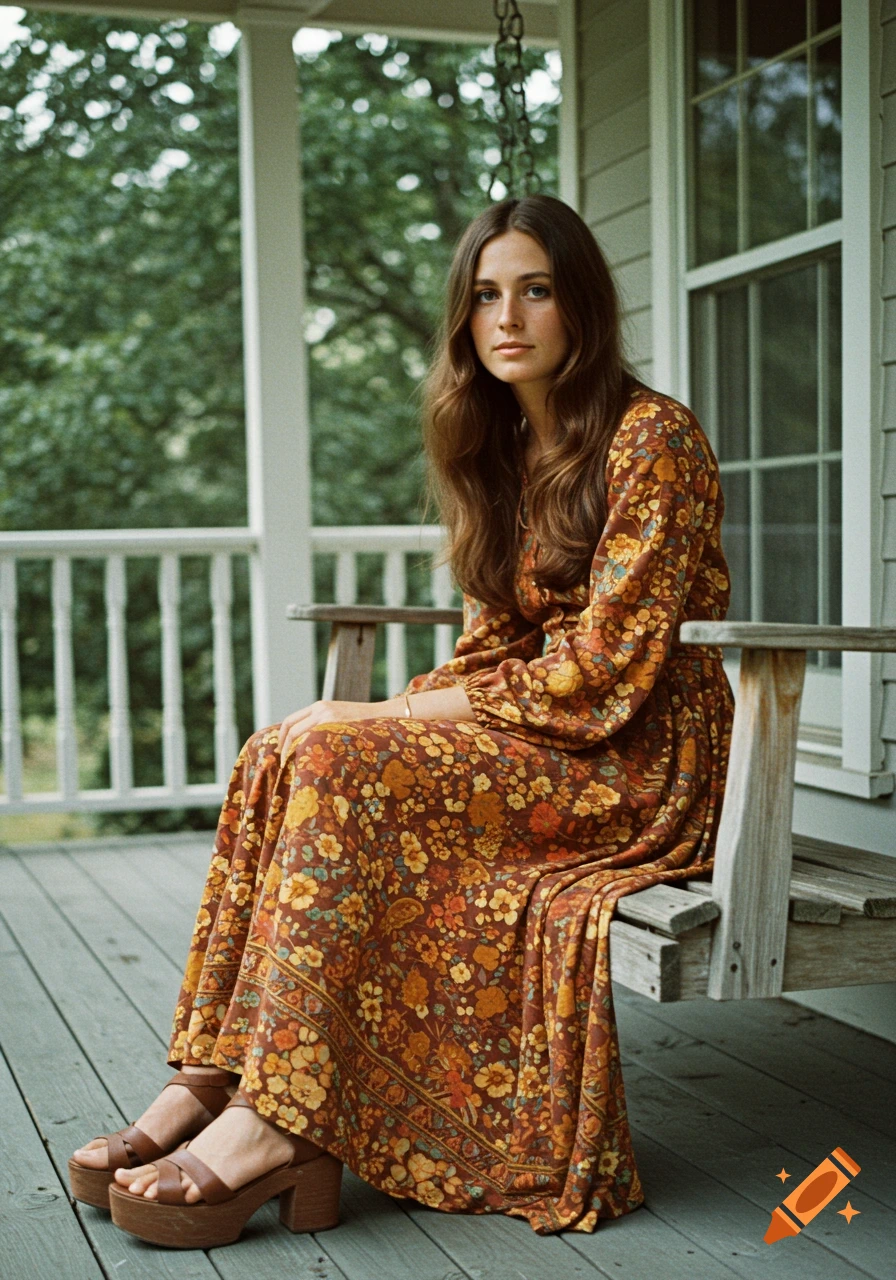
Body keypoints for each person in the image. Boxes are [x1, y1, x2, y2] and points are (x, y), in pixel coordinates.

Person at [69, 193, 734, 1246]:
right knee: (282, 744)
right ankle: (212, 1078)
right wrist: (399, 715)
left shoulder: (652, 437)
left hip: (634, 756)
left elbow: (608, 667)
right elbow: (492, 646)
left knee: (338, 745)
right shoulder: (507, 443)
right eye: (482, 296)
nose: (505, 317)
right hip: (538, 737)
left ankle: (276, 1121)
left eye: (534, 290)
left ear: (582, 307)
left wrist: (391, 711)